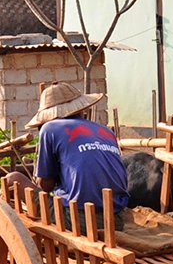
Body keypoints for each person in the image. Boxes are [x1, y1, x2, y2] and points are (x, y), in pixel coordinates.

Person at [8, 82, 129, 224]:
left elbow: (45, 186)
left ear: (48, 116)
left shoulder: (50, 128)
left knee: (13, 178)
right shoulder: (106, 131)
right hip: (117, 219)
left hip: (80, 218)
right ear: (81, 109)